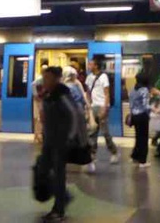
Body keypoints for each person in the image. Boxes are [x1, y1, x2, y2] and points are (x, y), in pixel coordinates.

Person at [39, 66, 78, 222]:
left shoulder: (63, 95)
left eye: (47, 78)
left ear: (56, 79)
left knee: (58, 174)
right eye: (44, 77)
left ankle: (59, 209)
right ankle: (64, 197)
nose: (44, 81)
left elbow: (74, 115)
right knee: (42, 170)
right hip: (49, 140)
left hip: (60, 142)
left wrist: (69, 138)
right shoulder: (48, 95)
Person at [85, 56, 118, 172]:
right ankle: (92, 155)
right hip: (93, 107)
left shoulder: (104, 77)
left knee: (105, 132)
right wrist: (88, 107)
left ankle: (114, 152)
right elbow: (88, 93)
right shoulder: (89, 78)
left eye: (91, 64)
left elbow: (107, 93)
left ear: (96, 66)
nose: (89, 65)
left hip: (102, 106)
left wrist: (105, 107)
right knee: (92, 132)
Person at [129, 71, 151, 169]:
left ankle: (135, 157)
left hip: (134, 116)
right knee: (144, 138)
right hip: (142, 116)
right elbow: (146, 106)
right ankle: (143, 161)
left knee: (138, 137)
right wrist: (152, 110)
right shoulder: (144, 90)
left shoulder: (133, 89)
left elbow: (131, 104)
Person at [33, 61, 49, 144]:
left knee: (40, 118)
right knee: (39, 118)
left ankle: (38, 135)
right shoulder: (39, 80)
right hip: (39, 102)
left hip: (41, 101)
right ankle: (37, 135)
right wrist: (37, 97)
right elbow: (34, 87)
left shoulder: (44, 79)